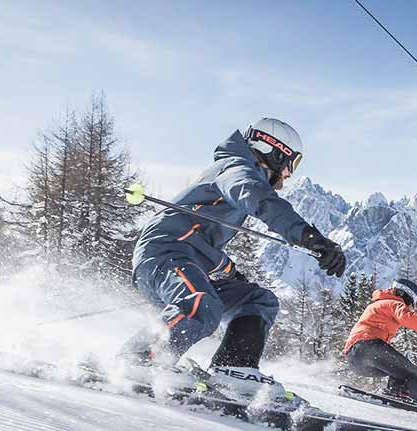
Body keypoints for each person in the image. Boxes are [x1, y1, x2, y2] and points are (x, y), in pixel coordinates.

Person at [122, 117, 346, 403]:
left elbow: (199, 238)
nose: (290, 174)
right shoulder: (236, 169)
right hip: (163, 255)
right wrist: (308, 236)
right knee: (201, 303)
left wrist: (229, 271)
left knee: (258, 300)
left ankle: (234, 368)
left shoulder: (235, 171)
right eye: (293, 163)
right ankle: (139, 357)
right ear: (274, 151)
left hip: (185, 257)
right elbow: (261, 200)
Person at [343, 278, 417, 408]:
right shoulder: (392, 303)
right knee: (413, 373)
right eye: (412, 302)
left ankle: (397, 392)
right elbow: (411, 319)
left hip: (355, 358)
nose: (411, 307)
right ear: (405, 295)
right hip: (367, 347)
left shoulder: (378, 304)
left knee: (399, 371)